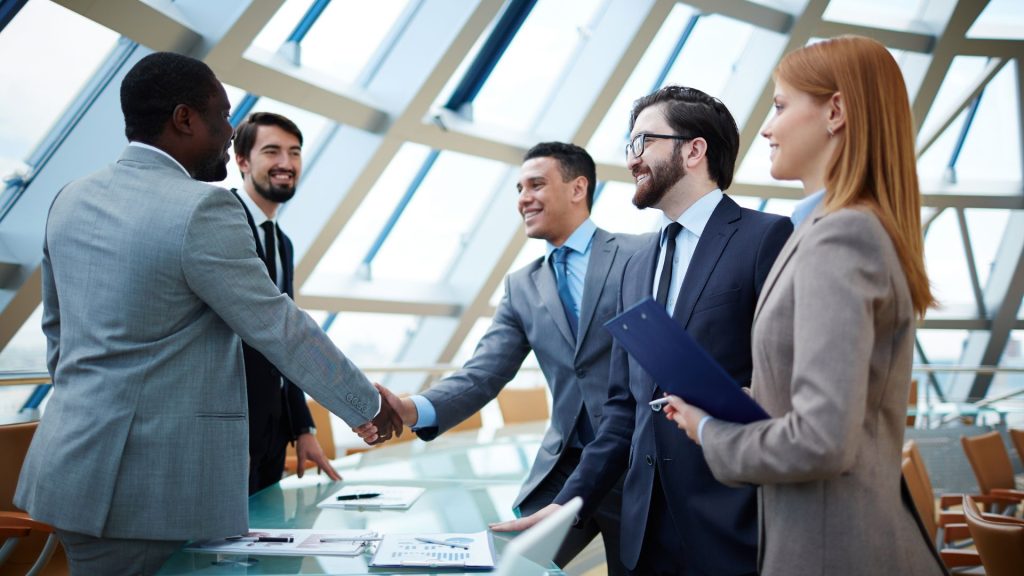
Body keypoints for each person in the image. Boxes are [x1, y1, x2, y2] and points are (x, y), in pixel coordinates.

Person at [14, 51, 400, 575]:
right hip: (152, 491)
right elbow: (276, 326)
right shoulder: (202, 208)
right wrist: (364, 405)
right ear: (184, 119)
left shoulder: (70, 198)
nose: (228, 131)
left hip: (68, 470)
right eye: (221, 117)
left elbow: (57, 333)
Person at [662, 36, 946, 575]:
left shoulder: (841, 237)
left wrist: (710, 432)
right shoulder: (831, 230)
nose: (767, 128)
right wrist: (735, 399)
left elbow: (821, 440)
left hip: (834, 553)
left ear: (835, 111)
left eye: (780, 106)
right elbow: (827, 404)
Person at [493, 86, 792, 576]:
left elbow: (790, 380)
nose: (631, 160)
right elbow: (622, 408)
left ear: (694, 150)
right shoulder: (637, 264)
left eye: (642, 142)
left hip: (731, 525)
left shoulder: (766, 238)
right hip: (643, 534)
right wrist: (568, 502)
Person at [374, 142, 647, 574]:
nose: (523, 198)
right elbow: (484, 373)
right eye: (519, 188)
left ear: (578, 188)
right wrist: (410, 408)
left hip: (638, 461)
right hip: (565, 467)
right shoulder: (522, 286)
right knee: (507, 565)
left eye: (536, 184)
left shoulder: (641, 254)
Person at [230, 112, 340, 494]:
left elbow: (285, 340)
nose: (286, 163)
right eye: (272, 151)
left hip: (271, 430)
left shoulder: (282, 242)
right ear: (242, 160)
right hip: (230, 428)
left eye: (294, 153)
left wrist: (302, 427)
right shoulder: (222, 221)